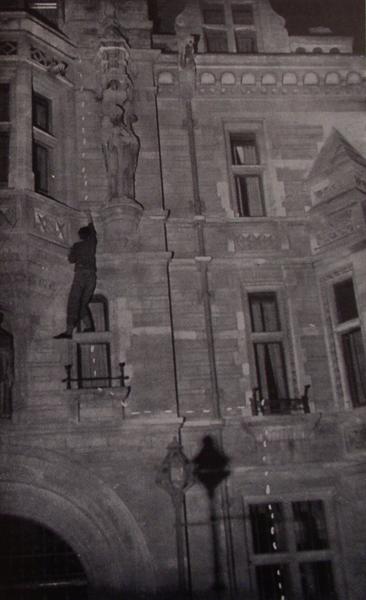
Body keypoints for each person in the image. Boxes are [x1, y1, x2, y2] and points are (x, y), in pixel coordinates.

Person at [54, 210, 97, 339]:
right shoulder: (92, 242)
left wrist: (69, 251)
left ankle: (68, 332)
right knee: (82, 304)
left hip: (81, 275)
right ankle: (89, 328)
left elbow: (71, 260)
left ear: (80, 236)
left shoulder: (77, 246)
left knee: (73, 302)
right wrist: (89, 215)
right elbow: (92, 229)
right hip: (92, 277)